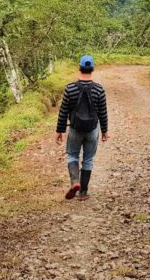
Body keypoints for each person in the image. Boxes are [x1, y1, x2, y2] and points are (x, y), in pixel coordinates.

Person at [55, 55, 109, 201]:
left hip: (75, 129)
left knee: (73, 155)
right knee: (88, 159)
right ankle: (83, 192)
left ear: (79, 67)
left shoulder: (70, 88)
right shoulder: (99, 89)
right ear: (92, 69)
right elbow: (103, 112)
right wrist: (104, 131)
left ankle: (75, 182)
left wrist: (60, 130)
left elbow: (63, 111)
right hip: (92, 130)